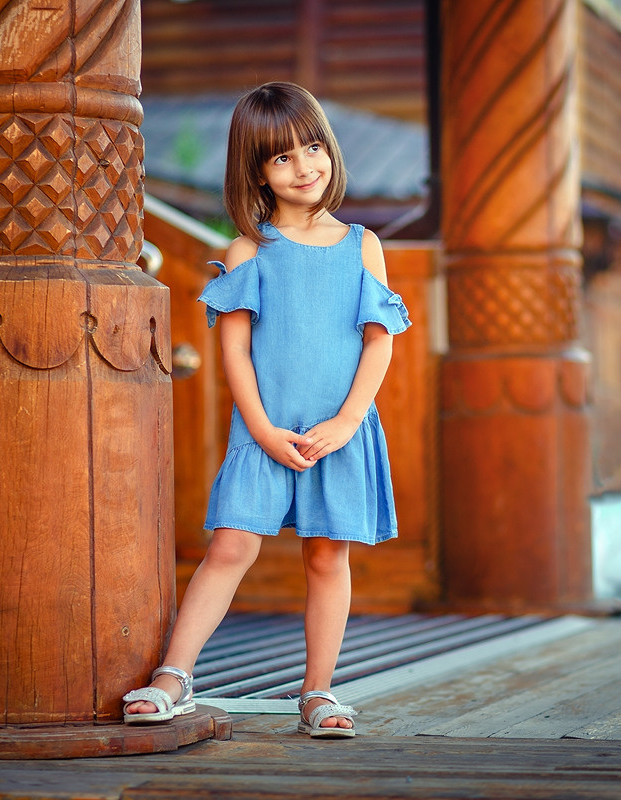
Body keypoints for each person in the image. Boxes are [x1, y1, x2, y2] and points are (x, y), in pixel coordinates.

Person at [122, 82, 410, 739]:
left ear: (329, 152)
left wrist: (345, 424)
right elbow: (235, 355)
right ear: (255, 171)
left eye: (312, 148)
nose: (304, 166)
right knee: (231, 546)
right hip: (265, 432)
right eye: (282, 158)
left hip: (339, 433)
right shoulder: (249, 252)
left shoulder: (361, 244)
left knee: (327, 557)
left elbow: (378, 343)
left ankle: (318, 691)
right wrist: (259, 428)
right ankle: (174, 675)